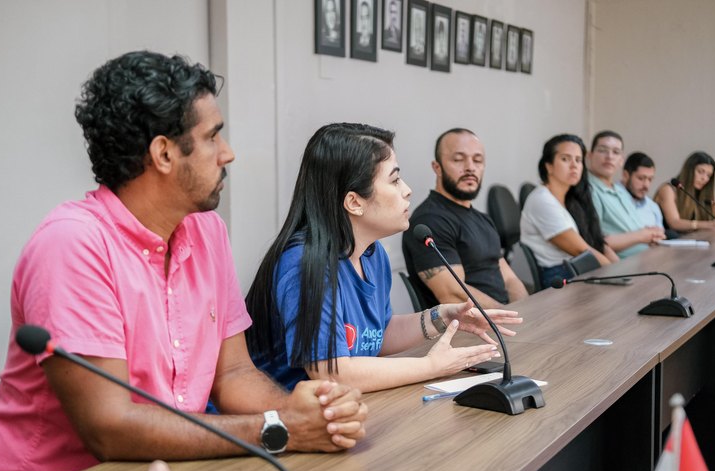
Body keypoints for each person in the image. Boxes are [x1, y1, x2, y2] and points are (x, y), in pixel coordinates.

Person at [0, 52, 366, 471]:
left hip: (176, 466)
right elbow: (109, 427)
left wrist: (306, 413)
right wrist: (279, 429)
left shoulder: (208, 231)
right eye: (213, 137)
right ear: (164, 154)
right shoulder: (72, 244)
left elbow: (234, 373)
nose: (228, 154)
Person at [245, 123, 522, 394]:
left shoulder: (372, 253)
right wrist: (430, 366)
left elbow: (379, 334)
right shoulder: (305, 263)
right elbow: (332, 372)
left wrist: (443, 315)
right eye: (395, 180)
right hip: (283, 427)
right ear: (354, 202)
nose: (407, 190)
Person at [402, 128, 528, 310]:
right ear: (437, 167)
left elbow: (509, 278)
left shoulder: (483, 219)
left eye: (478, 160)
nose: (470, 167)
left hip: (501, 321)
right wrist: (507, 317)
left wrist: (525, 310)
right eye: (458, 159)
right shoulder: (430, 220)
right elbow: (452, 294)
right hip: (466, 331)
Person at [520, 134, 618, 287]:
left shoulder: (571, 199)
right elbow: (581, 251)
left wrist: (619, 266)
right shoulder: (541, 200)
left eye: (578, 160)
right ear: (549, 165)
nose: (574, 165)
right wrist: (617, 272)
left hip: (576, 269)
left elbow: (596, 242)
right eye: (565, 159)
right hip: (558, 276)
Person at [586, 131, 665, 259]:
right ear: (589, 156)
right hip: (624, 269)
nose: (609, 156)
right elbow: (596, 243)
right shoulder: (589, 190)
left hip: (646, 259)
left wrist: (651, 234)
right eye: (602, 150)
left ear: (621, 161)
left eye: (616, 152)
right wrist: (641, 236)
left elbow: (634, 230)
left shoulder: (620, 190)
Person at [654, 151, 715, 232]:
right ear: (689, 171)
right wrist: (710, 225)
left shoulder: (702, 193)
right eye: (700, 172)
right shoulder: (668, 189)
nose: (704, 178)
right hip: (670, 240)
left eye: (708, 175)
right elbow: (674, 223)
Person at [622, 152, 666, 231]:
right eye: (641, 178)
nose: (646, 185)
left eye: (650, 179)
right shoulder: (612, 200)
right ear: (626, 176)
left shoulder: (653, 207)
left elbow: (660, 235)